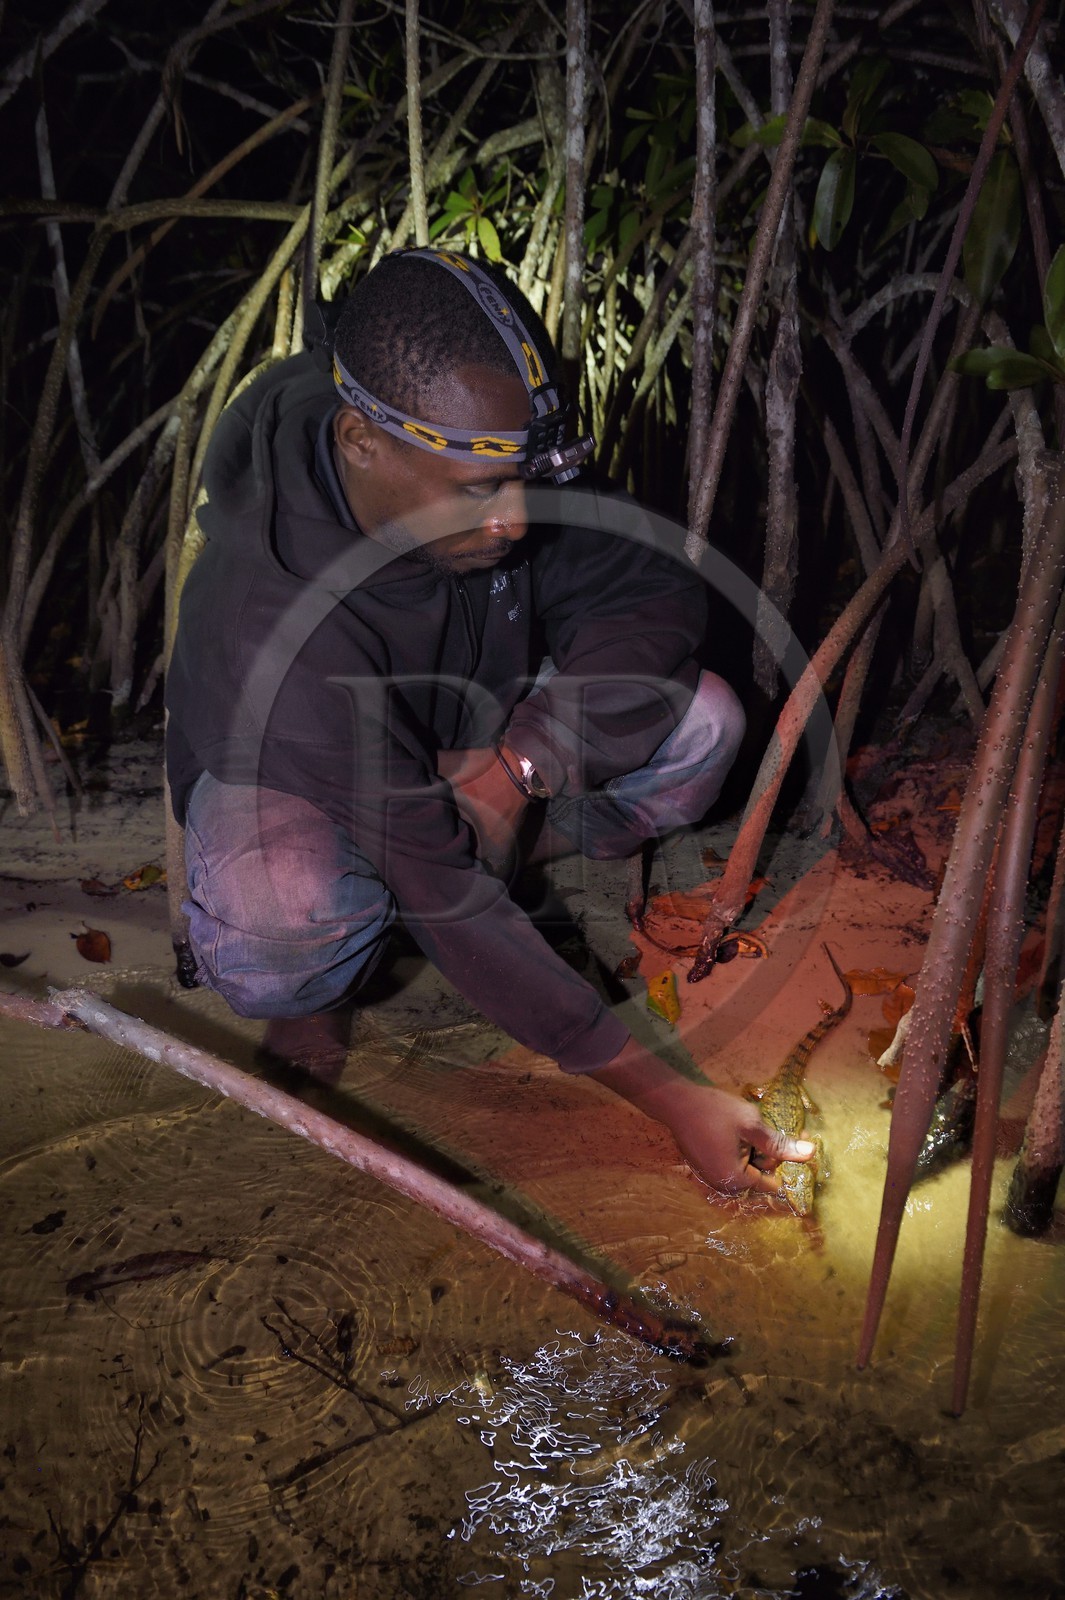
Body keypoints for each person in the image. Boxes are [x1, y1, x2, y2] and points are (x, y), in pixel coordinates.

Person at [165, 246, 813, 1198]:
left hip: (481, 737)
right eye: (480, 492)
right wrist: (676, 1100)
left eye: (524, 480)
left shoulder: (477, 448)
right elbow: (442, 894)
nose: (515, 520)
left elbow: (655, 595)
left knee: (706, 720)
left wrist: (525, 760)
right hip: (309, 779)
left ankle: (503, 832)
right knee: (281, 919)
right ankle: (328, 987)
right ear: (360, 443)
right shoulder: (271, 616)